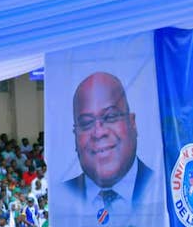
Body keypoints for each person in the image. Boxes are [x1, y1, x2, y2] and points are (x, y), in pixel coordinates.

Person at [61, 72, 157, 212]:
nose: (99, 133)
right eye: (86, 123)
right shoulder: (62, 196)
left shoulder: (160, 185)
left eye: (110, 116)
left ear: (132, 123)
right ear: (75, 136)